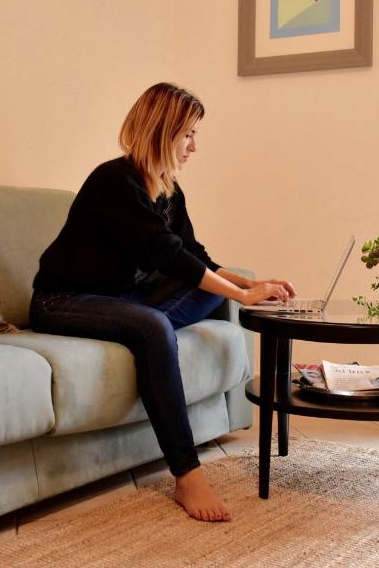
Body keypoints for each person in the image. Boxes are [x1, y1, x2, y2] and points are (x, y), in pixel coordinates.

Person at [30, 82, 296, 522]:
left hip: (120, 297)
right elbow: (166, 256)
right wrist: (244, 294)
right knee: (155, 327)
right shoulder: (114, 181)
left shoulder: (170, 191)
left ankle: (146, 334)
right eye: (187, 134)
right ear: (161, 131)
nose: (194, 145)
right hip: (63, 300)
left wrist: (251, 282)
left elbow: (194, 256)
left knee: (204, 297)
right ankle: (187, 475)